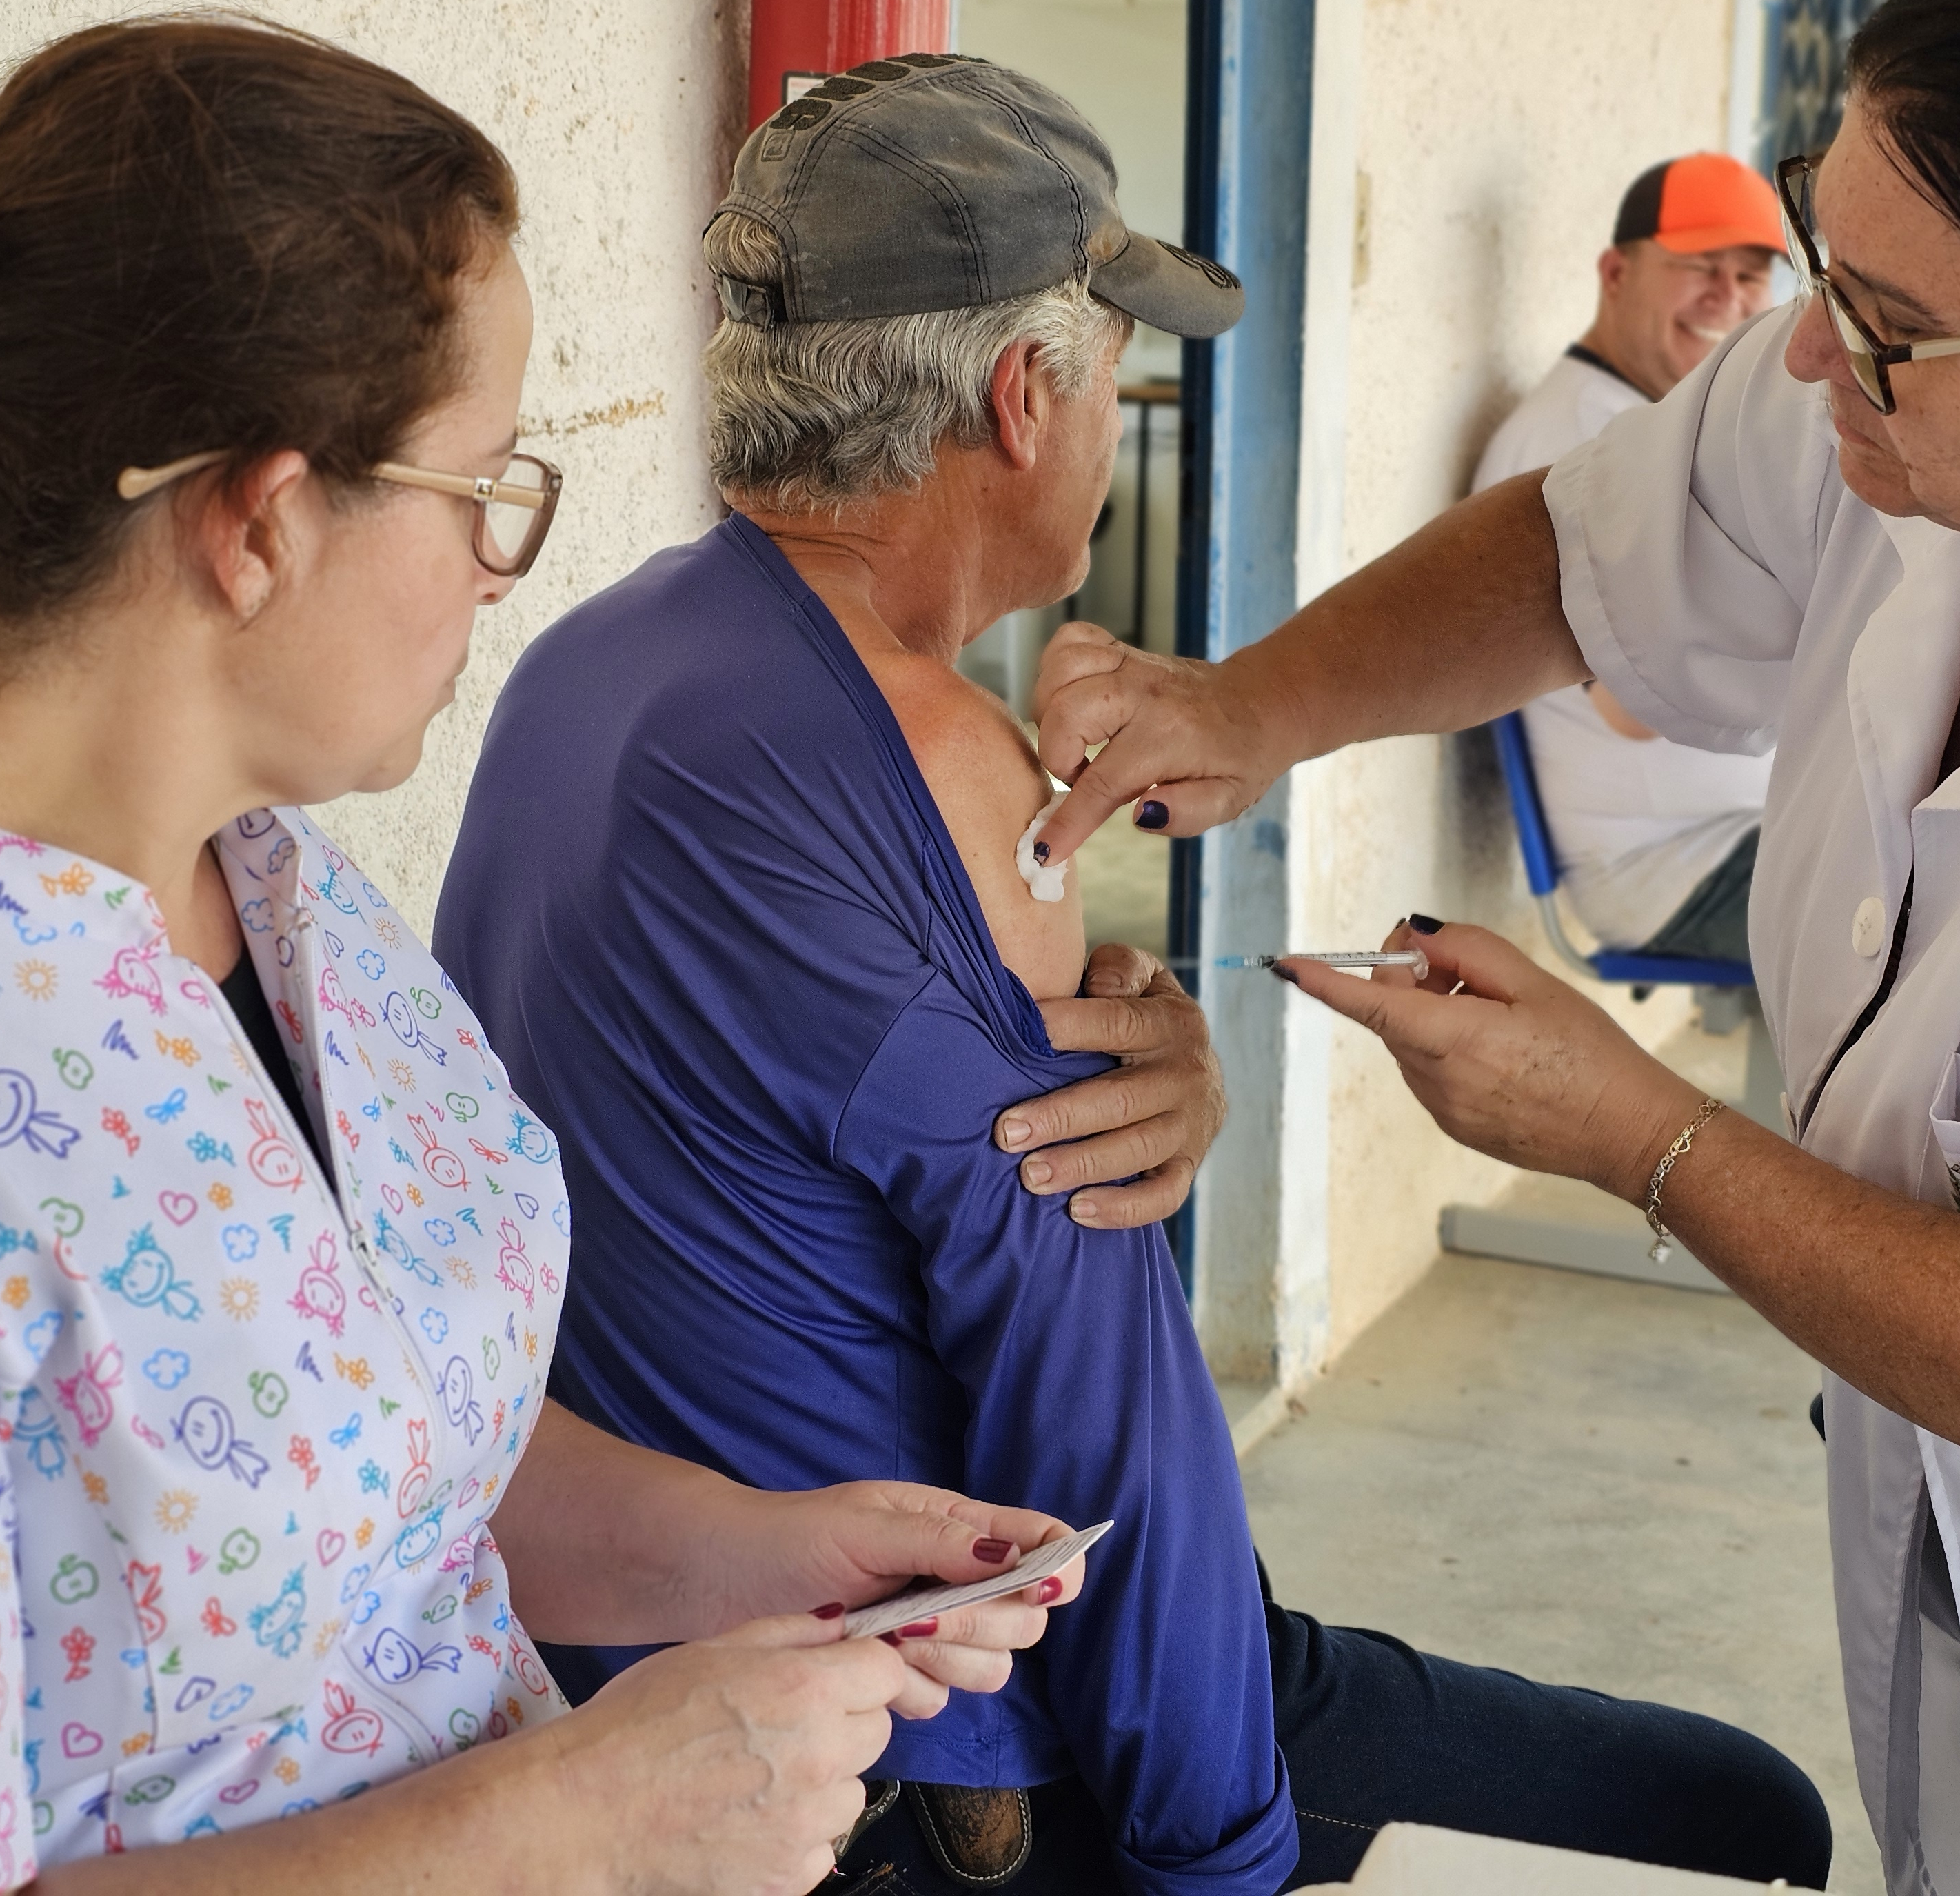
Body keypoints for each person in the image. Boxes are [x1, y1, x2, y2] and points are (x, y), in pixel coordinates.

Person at [1031, 2, 1960, 1890]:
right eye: (1814, 255)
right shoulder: (1904, 384)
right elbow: (1590, 548)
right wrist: (1251, 704)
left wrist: (1642, 1130)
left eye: (1890, 325)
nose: (1803, 350)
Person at [0, 24, 1088, 1895]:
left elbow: (390, 1462)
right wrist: (585, 1818)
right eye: (483, 483)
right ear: (263, 521)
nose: (502, 565)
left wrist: (766, 1549)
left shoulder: (274, 883)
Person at [438, 57, 1832, 1896]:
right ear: (1025, 400)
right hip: (935, 1751)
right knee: (1749, 1822)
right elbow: (1086, 1390)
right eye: (1112, 370)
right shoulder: (942, 762)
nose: (1113, 415)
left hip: (650, 1657)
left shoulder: (593, 662)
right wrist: (1218, 1846)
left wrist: (1143, 1033)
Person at [1473, 153, 1779, 965]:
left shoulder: (1656, 426)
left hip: (1746, 835)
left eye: (1750, 276)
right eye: (1699, 267)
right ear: (1616, 273)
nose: (1727, 298)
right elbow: (1639, 702)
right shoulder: (1579, 441)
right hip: (1671, 865)